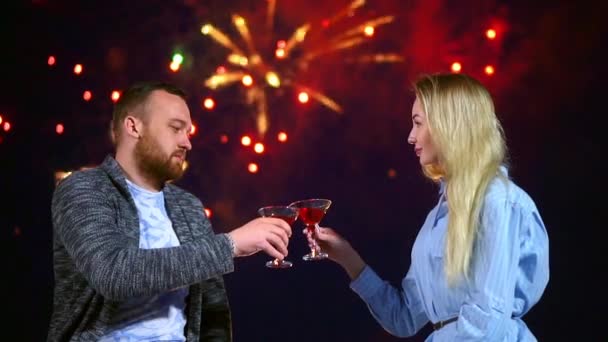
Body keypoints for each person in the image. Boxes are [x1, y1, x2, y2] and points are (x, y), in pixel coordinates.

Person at [48, 81, 292, 341]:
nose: (187, 142)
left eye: (188, 132)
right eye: (176, 128)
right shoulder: (83, 188)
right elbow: (113, 274)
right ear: (133, 126)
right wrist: (230, 245)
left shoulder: (188, 206)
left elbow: (212, 312)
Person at [312, 73, 549, 341]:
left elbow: (488, 321)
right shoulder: (437, 217)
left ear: (450, 125)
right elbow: (404, 319)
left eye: (418, 123)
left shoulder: (498, 200)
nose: (411, 137)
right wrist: (348, 258)